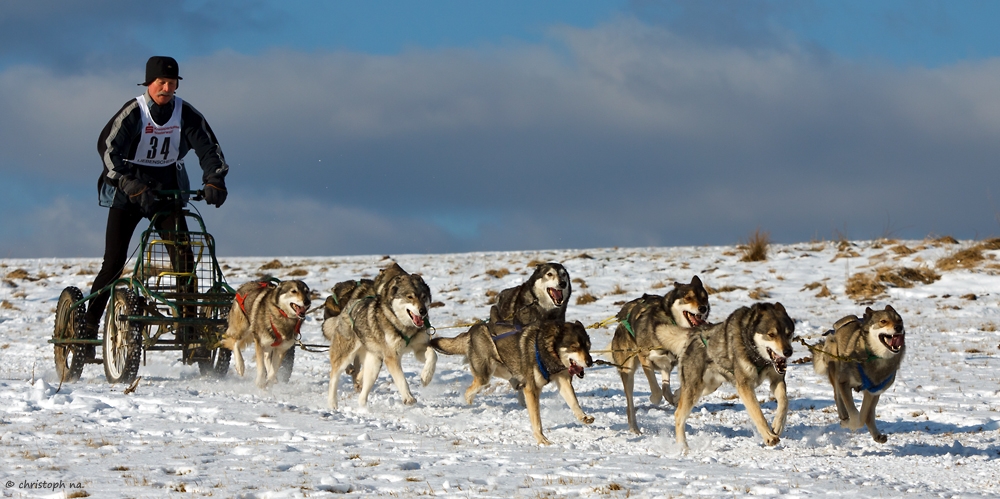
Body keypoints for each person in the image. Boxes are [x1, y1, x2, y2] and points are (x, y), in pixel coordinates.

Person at [85, 56, 230, 339]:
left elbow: (209, 149)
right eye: (160, 82)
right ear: (149, 83)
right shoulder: (133, 112)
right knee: (113, 263)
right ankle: (89, 326)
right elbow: (108, 150)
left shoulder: (186, 114)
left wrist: (215, 179)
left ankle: (187, 330)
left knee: (185, 262)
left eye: (171, 83)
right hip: (127, 193)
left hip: (166, 192)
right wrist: (129, 182)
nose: (166, 87)